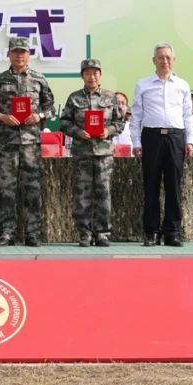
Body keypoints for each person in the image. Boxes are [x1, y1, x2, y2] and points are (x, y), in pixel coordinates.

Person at [0, 37, 56, 247]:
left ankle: (33, 233)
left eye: (23, 52)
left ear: (29, 55)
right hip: (7, 143)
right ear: (9, 55)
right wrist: (2, 117)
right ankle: (8, 233)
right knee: (7, 189)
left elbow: (51, 107)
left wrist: (39, 116)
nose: (19, 55)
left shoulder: (39, 79)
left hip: (31, 144)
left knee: (32, 189)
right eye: (15, 52)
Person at [130, 43, 193, 247]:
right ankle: (151, 232)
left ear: (174, 60)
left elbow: (188, 115)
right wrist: (136, 142)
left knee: (174, 187)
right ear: (153, 60)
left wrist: (189, 141)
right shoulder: (143, 85)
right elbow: (136, 117)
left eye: (168, 57)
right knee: (151, 186)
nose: (164, 61)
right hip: (152, 137)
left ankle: (172, 232)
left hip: (176, 137)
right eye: (160, 57)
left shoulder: (182, 85)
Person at [59, 58, 126, 247]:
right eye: (87, 73)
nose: (92, 77)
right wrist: (77, 131)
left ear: (100, 75)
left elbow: (119, 122)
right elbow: (64, 122)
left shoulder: (110, 97)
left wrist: (108, 131)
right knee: (82, 195)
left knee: (104, 193)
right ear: (82, 76)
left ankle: (102, 233)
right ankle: (84, 233)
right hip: (82, 153)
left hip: (104, 153)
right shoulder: (74, 98)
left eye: (95, 73)